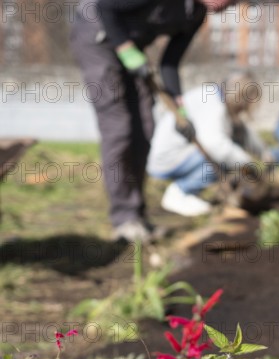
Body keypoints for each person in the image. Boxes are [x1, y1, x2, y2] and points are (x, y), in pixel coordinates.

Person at [70, 0, 238, 243]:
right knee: (119, 128)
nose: (228, 6)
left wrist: (181, 110)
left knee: (146, 127)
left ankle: (136, 215)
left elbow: (170, 63)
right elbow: (106, 7)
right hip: (97, 36)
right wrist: (125, 49)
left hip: (133, 50)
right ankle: (123, 219)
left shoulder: (196, 14)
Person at [147, 72, 268, 216]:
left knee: (228, 157)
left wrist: (264, 152)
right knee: (222, 158)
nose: (242, 110)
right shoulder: (214, 105)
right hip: (167, 159)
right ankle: (178, 193)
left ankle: (186, 189)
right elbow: (215, 144)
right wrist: (247, 163)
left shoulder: (217, 98)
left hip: (180, 154)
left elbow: (242, 131)